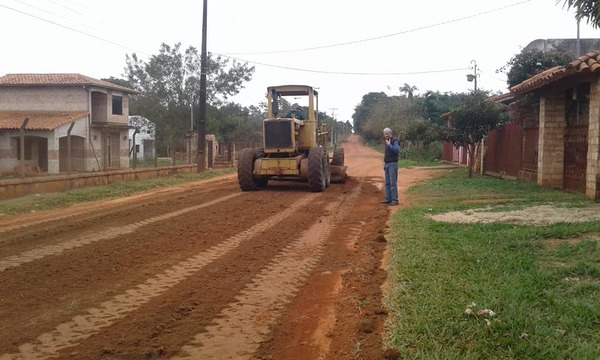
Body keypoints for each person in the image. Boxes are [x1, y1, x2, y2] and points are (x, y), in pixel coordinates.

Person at [382, 127, 400, 205]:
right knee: (387, 183)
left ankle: (395, 200)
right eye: (385, 134)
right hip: (387, 164)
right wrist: (385, 164)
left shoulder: (394, 141)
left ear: (390, 133)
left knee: (393, 183)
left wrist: (390, 145)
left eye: (387, 133)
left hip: (393, 164)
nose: (386, 135)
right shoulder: (386, 141)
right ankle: (388, 199)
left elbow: (397, 150)